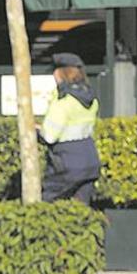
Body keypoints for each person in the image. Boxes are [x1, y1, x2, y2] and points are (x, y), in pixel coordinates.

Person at [39, 52, 102, 206]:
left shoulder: (63, 101)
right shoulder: (91, 99)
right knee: (80, 211)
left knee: (45, 203)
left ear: (61, 74)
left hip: (66, 164)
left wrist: (35, 131)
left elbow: (49, 136)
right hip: (89, 162)